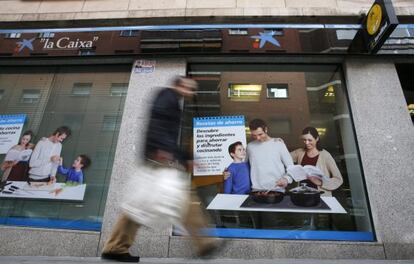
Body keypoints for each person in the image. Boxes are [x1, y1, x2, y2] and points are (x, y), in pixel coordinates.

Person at [101, 76, 222, 262]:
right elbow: (157, 126)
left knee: (139, 204)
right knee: (183, 198)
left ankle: (115, 247)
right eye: (190, 89)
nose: (192, 93)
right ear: (179, 85)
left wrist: (184, 157)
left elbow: (163, 130)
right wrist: (162, 150)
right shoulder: (168, 97)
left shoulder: (171, 100)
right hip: (159, 157)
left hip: (159, 155)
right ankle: (205, 243)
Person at [290, 126, 343, 196]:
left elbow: (338, 179)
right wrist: (278, 142)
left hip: (320, 197)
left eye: (310, 140)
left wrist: (321, 182)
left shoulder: (325, 155)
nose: (306, 143)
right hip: (302, 195)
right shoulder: (299, 152)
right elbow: (283, 156)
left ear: (317, 138)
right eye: (304, 140)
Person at [247, 119, 294, 191]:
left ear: (266, 129)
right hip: (256, 190)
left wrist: (286, 179)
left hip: (277, 189)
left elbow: (291, 167)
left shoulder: (279, 144)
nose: (258, 138)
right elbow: (241, 165)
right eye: (254, 135)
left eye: (260, 134)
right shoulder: (250, 146)